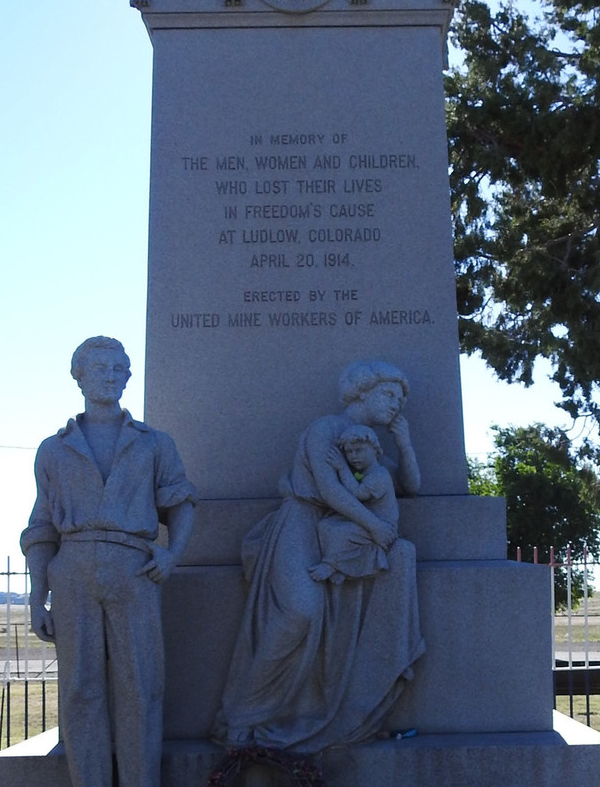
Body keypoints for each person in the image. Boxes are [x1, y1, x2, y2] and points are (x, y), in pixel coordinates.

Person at [214, 360, 424, 754]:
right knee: (300, 611)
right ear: (362, 391)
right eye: (389, 394)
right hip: (302, 520)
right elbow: (330, 491)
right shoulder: (324, 429)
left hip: (339, 531)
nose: (396, 404)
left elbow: (409, 486)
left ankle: (323, 708)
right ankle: (243, 714)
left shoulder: (369, 448)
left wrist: (405, 443)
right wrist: (374, 526)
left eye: (400, 399)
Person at [21, 336, 197, 787]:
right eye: (99, 368)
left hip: (134, 568)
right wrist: (38, 596)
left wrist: (173, 555)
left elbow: (181, 503)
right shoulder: (53, 449)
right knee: (80, 689)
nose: (110, 376)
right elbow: (41, 526)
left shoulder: (154, 443)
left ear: (128, 376)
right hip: (72, 568)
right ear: (78, 377)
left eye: (118, 368)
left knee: (141, 687)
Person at [309, 424, 398, 584]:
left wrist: (342, 467)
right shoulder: (363, 474)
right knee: (326, 525)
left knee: (342, 532)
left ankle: (330, 565)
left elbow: (358, 493)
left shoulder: (380, 476)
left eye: (359, 450)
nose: (353, 456)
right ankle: (344, 568)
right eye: (349, 452)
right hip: (365, 522)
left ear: (375, 449)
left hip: (384, 525)